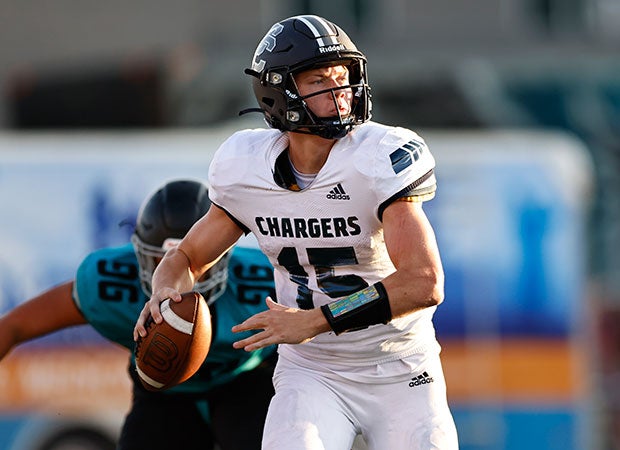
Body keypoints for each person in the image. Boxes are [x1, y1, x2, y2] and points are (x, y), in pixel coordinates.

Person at [135, 15, 459, 450]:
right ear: (279, 91)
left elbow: (424, 281)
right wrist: (163, 293)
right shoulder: (247, 167)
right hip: (312, 371)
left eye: (342, 77)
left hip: (400, 367)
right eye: (319, 80)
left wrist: (313, 321)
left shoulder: (378, 157)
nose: (339, 93)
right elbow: (186, 258)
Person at [0, 179, 277, 450]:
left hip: (246, 381)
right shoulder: (110, 283)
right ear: (141, 256)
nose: (185, 275)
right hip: (164, 393)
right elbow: (14, 326)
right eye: (164, 261)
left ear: (222, 254)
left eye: (198, 260)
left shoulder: (266, 281)